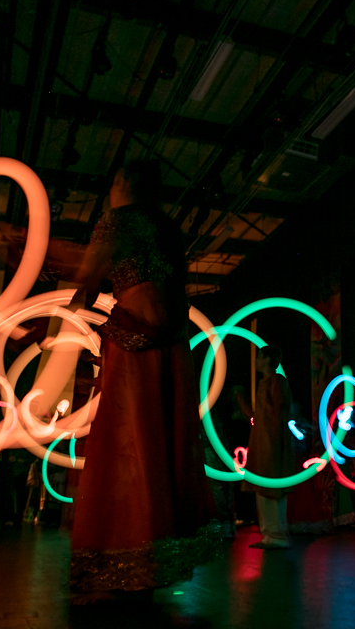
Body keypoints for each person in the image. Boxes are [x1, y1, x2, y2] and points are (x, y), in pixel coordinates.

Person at [67, 161, 218, 603]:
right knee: (161, 443)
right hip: (171, 343)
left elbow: (86, 278)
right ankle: (150, 557)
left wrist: (60, 314)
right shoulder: (168, 228)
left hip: (134, 339)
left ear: (121, 184)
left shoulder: (116, 221)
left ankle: (118, 555)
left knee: (125, 440)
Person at [233, 345, 293, 549]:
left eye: (259, 357)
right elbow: (258, 416)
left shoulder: (277, 381)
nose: (256, 360)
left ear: (268, 359)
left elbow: (277, 412)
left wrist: (273, 441)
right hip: (262, 441)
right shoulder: (264, 383)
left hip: (272, 442)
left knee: (272, 487)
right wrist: (241, 402)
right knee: (262, 488)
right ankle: (269, 534)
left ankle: (277, 535)